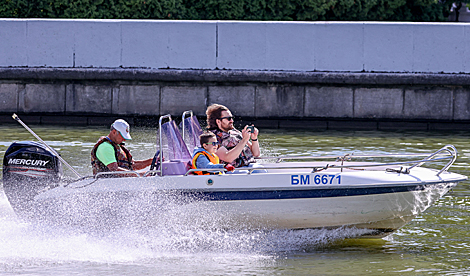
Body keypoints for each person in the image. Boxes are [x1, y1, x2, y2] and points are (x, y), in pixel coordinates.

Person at [206, 104, 260, 168]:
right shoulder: (213, 138)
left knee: (262, 170)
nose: (232, 121)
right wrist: (244, 140)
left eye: (232, 118)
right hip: (232, 170)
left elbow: (256, 154)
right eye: (228, 118)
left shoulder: (235, 132)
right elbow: (228, 158)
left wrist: (254, 138)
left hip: (249, 166)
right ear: (218, 121)